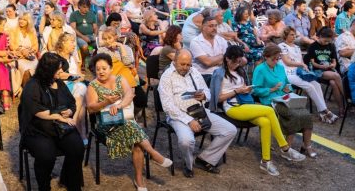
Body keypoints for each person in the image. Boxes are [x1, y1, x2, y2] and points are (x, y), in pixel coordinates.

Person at [86, 53, 172, 189]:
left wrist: (118, 105)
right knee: (135, 131)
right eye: (98, 69)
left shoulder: (120, 79)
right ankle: (154, 154)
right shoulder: (93, 85)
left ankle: (139, 179)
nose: (101, 71)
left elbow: (129, 95)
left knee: (137, 142)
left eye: (104, 68)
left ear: (111, 68)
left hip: (124, 120)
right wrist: (105, 102)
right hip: (106, 125)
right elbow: (90, 109)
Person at [216, 45, 305, 176]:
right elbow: (218, 99)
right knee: (269, 111)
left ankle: (266, 161)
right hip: (232, 108)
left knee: (265, 122)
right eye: (234, 61)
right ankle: (284, 147)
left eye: (239, 61)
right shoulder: (219, 73)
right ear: (227, 59)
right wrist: (237, 91)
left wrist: (246, 89)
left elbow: (244, 88)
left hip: (244, 104)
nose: (237, 64)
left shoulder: (239, 71)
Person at [158, 49, 236, 177]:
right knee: (186, 141)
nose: (186, 67)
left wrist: (204, 95)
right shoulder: (167, 77)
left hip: (199, 111)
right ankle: (188, 165)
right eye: (182, 64)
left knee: (230, 130)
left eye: (188, 64)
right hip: (178, 116)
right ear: (174, 61)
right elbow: (168, 106)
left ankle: (204, 159)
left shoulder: (194, 72)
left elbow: (208, 92)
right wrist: (189, 120)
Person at [19, 52, 85, 191]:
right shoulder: (32, 86)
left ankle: (71, 183)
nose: (61, 71)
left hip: (60, 127)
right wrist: (58, 116)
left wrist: (70, 111)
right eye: (58, 69)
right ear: (47, 70)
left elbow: (71, 102)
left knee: (77, 148)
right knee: (46, 155)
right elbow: (37, 111)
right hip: (38, 130)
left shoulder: (59, 83)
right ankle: (44, 187)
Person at [253, 44, 317, 157]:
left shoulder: (280, 67)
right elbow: (255, 90)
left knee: (306, 114)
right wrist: (271, 89)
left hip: (284, 98)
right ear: (266, 57)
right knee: (293, 115)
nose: (276, 61)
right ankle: (287, 147)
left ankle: (307, 145)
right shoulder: (260, 69)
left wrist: (288, 88)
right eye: (274, 59)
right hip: (269, 100)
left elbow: (287, 82)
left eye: (278, 58)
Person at [278, 27, 338, 123]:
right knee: (309, 86)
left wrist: (305, 67)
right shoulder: (281, 46)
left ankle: (322, 113)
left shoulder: (297, 47)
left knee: (316, 84)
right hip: (288, 73)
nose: (294, 37)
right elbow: (287, 62)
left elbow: (301, 62)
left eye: (294, 35)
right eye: (291, 35)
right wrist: (301, 64)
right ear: (285, 35)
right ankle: (325, 111)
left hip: (298, 72)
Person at [190, 13, 228, 85]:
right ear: (203, 27)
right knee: (222, 81)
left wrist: (214, 60)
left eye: (216, 26)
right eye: (211, 26)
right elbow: (207, 62)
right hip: (204, 75)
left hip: (221, 72)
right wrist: (222, 56)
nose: (214, 28)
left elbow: (227, 60)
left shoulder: (221, 40)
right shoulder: (195, 42)